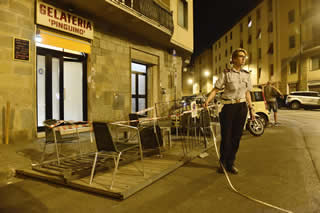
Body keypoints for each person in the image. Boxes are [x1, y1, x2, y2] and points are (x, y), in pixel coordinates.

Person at [204, 48, 254, 174]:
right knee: (226, 137)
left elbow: (247, 93)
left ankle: (231, 163)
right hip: (228, 108)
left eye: (244, 57)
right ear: (234, 59)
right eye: (241, 56)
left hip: (242, 107)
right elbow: (216, 89)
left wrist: (251, 109)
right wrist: (207, 101)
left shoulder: (247, 75)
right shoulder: (226, 74)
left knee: (236, 138)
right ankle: (222, 163)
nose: (243, 59)